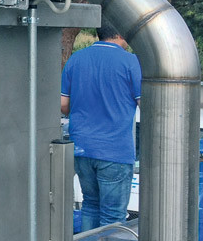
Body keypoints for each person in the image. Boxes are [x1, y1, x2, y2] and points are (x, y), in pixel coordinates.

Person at [60, 23, 142, 230]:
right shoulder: (131, 62)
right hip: (115, 151)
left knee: (90, 206)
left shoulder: (76, 58)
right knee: (112, 215)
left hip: (81, 148)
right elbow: (146, 104)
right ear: (121, 33)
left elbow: (63, 104)